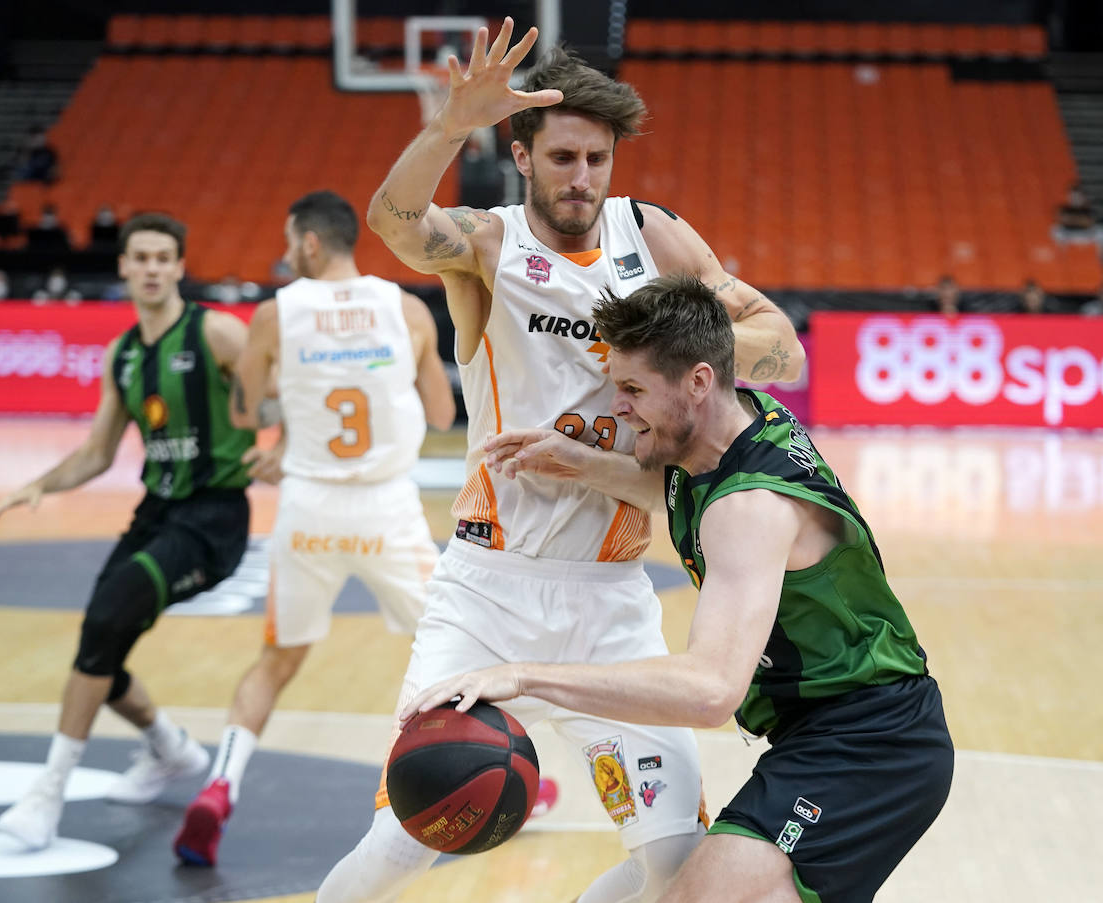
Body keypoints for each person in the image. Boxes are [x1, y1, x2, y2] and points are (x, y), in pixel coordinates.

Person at [319, 19, 804, 903]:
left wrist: (660, 342)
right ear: (522, 156)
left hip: (612, 599)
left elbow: (784, 350)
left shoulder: (653, 239)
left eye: (597, 159)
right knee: (403, 839)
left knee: (674, 861)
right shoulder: (488, 244)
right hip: (485, 592)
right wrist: (446, 126)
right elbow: (394, 224)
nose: (582, 177)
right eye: (563, 158)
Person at [409, 273, 953, 903]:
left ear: (697, 381)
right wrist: (578, 463)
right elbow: (676, 491)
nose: (618, 407)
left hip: (872, 748)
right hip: (835, 736)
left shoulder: (749, 509)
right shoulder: (741, 423)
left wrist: (522, 675)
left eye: (634, 389)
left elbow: (710, 691)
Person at [172, 190, 456, 866]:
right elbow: (443, 414)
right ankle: (471, 784)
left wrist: (291, 409)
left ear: (307, 242)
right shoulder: (408, 309)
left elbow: (245, 413)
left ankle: (220, 785)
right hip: (386, 507)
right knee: (452, 651)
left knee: (276, 661)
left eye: (287, 240)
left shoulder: (276, 314)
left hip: (309, 509)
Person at [0, 213, 273, 851]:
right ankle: (169, 747)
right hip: (156, 512)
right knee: (101, 639)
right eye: (139, 257)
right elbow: (97, 453)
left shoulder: (217, 332)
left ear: (178, 267)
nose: (150, 268)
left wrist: (282, 447)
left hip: (214, 518)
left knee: (106, 620)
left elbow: (280, 391)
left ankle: (47, 796)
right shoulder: (122, 354)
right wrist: (40, 485)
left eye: (162, 258)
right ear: (122, 266)